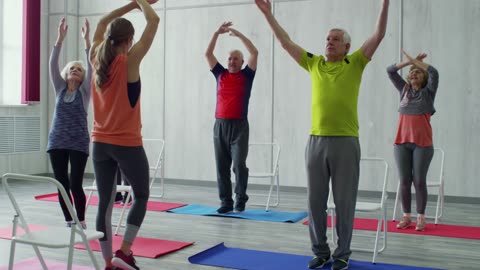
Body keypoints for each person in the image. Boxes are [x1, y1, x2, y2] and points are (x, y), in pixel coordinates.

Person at [255, 0, 389, 269]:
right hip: (316, 141)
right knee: (315, 200)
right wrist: (269, 14)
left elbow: (379, 35)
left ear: (347, 46)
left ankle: (342, 253)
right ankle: (320, 251)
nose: (329, 42)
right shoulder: (314, 63)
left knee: (343, 201)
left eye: (336, 39)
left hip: (346, 143)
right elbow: (285, 42)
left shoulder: (355, 63)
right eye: (328, 38)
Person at [89, 0, 159, 269]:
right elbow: (154, 22)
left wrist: (129, 4)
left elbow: (101, 22)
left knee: (104, 203)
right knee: (140, 195)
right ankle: (124, 252)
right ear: (129, 40)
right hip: (127, 143)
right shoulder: (129, 61)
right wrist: (141, 1)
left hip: (99, 144)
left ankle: (107, 261)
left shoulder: (96, 55)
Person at [205, 22, 258, 214]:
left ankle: (240, 198)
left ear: (242, 62)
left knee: (238, 165)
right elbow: (208, 55)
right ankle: (226, 201)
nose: (232, 62)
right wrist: (216, 33)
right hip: (219, 125)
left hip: (239, 127)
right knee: (222, 167)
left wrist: (239, 34)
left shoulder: (246, 76)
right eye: (230, 59)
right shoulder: (220, 74)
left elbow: (254, 53)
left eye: (236, 59)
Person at [387, 50, 439, 232]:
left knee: (419, 181)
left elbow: (434, 73)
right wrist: (409, 62)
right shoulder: (404, 90)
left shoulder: (428, 93)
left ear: (423, 77)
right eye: (412, 71)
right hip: (401, 143)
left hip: (422, 145)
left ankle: (421, 218)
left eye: (418, 71)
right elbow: (390, 71)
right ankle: (406, 216)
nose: (414, 73)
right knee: (404, 180)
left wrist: (417, 62)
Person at [47, 17, 91, 230]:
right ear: (66, 73)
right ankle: (68, 220)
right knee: (61, 184)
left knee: (75, 184)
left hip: (78, 143)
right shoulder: (59, 88)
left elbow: (91, 68)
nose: (75, 70)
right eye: (72, 68)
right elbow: (52, 64)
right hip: (56, 142)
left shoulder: (84, 93)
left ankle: (80, 220)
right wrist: (59, 39)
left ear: (82, 77)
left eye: (78, 70)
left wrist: (87, 42)